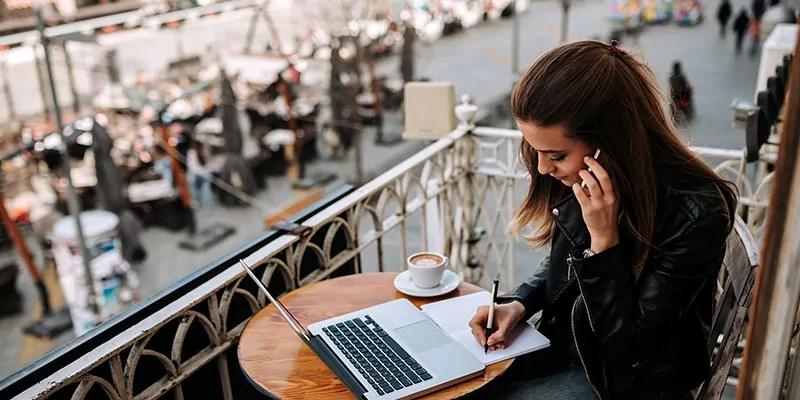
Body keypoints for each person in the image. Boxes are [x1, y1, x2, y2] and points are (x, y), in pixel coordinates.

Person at [467, 40, 737, 399]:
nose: (544, 169)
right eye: (536, 151)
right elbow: (565, 263)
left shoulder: (696, 211)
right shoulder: (591, 175)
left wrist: (604, 242)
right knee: (460, 384)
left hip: (628, 384)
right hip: (569, 350)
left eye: (556, 155)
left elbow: (630, 351)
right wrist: (519, 304)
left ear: (609, 141)